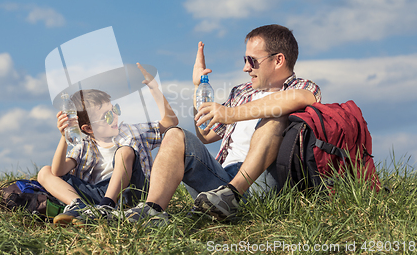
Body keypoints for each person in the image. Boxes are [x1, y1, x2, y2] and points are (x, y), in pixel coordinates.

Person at [124, 24, 322, 225]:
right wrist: (198, 86)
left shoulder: (301, 87)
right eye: (245, 60)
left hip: (262, 184)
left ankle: (233, 195)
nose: (246, 67)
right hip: (219, 184)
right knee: (175, 134)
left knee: (277, 116)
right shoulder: (241, 92)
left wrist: (230, 113)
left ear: (278, 60)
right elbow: (206, 135)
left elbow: (299, 98)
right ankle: (154, 210)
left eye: (252, 60)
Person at [37, 63, 178, 225]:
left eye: (115, 110)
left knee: (125, 151)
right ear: (88, 128)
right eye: (107, 116)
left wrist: (154, 89)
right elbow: (58, 171)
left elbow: (171, 122)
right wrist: (64, 137)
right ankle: (78, 205)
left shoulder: (132, 132)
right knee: (44, 172)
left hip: (131, 192)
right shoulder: (84, 145)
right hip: (95, 195)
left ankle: (107, 206)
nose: (114, 117)